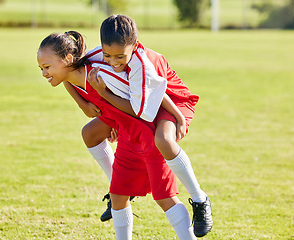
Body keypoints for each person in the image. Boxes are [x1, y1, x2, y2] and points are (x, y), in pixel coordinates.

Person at [37, 30, 197, 239]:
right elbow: (69, 78)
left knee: (164, 198)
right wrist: (85, 105)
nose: (44, 73)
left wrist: (178, 116)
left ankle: (195, 214)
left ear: (68, 59)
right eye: (41, 68)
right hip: (129, 137)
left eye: (47, 67)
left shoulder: (101, 74)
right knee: (118, 195)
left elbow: (151, 94)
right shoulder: (71, 75)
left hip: (147, 135)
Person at [84, 15, 212, 237]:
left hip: (173, 103)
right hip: (148, 103)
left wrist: (104, 93)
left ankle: (200, 199)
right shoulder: (98, 55)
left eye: (119, 56)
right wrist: (85, 104)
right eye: (108, 55)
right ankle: (118, 188)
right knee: (91, 132)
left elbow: (139, 110)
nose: (113, 62)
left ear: (135, 46)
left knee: (162, 140)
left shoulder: (142, 64)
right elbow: (68, 69)